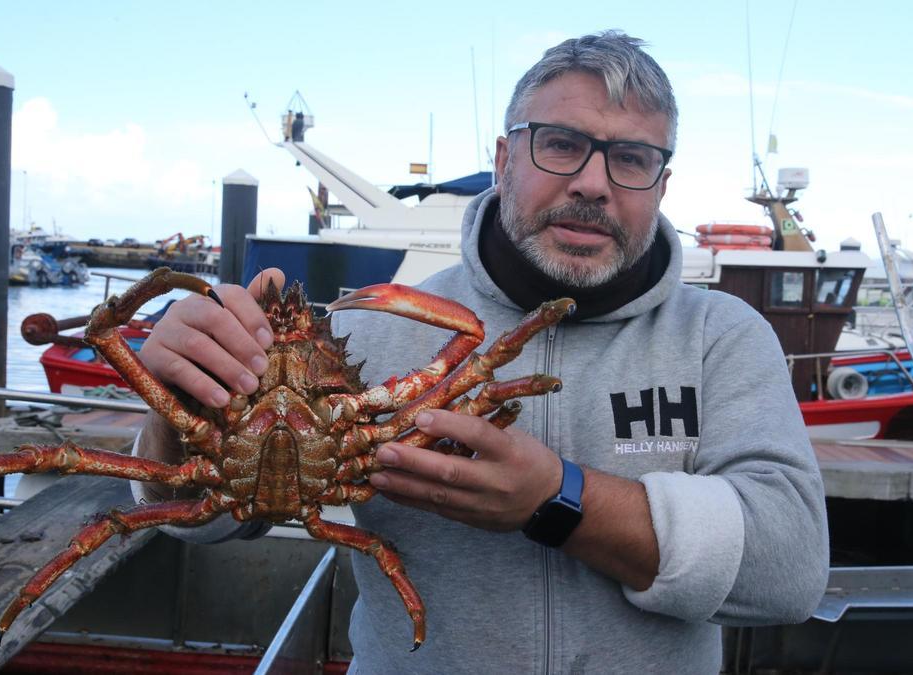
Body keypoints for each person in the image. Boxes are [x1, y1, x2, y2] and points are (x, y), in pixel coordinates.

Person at [136, 30, 828, 673]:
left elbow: (790, 572)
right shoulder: (366, 333)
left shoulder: (721, 337)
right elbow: (211, 523)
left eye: (631, 158)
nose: (593, 182)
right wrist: (179, 408)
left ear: (662, 184)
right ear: (504, 159)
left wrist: (559, 499)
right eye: (561, 144)